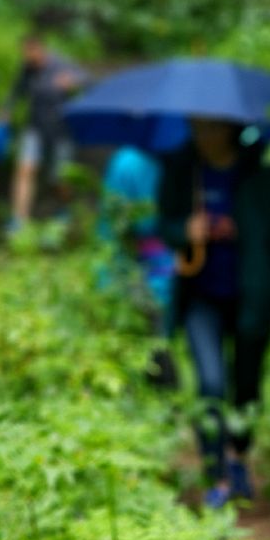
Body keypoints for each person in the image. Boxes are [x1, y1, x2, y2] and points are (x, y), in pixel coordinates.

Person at [158, 118, 270, 508]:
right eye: (197, 129)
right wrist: (187, 230)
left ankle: (238, 459)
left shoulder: (262, 173)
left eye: (212, 129)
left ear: (230, 129)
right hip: (200, 297)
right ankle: (214, 472)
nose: (204, 137)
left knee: (246, 387)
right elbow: (164, 225)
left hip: (252, 297)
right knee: (211, 384)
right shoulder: (182, 168)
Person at [98, 145, 179, 388]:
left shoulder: (188, 161)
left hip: (169, 276)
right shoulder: (128, 163)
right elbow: (113, 232)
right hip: (146, 275)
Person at [0, 27, 86, 228]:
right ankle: (19, 219)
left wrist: (73, 82)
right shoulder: (27, 69)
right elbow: (16, 92)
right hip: (34, 127)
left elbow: (87, 78)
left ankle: (65, 208)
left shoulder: (61, 64)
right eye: (24, 53)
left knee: (60, 178)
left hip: (61, 130)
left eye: (30, 52)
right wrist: (4, 112)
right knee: (24, 169)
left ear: (40, 49)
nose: (27, 57)